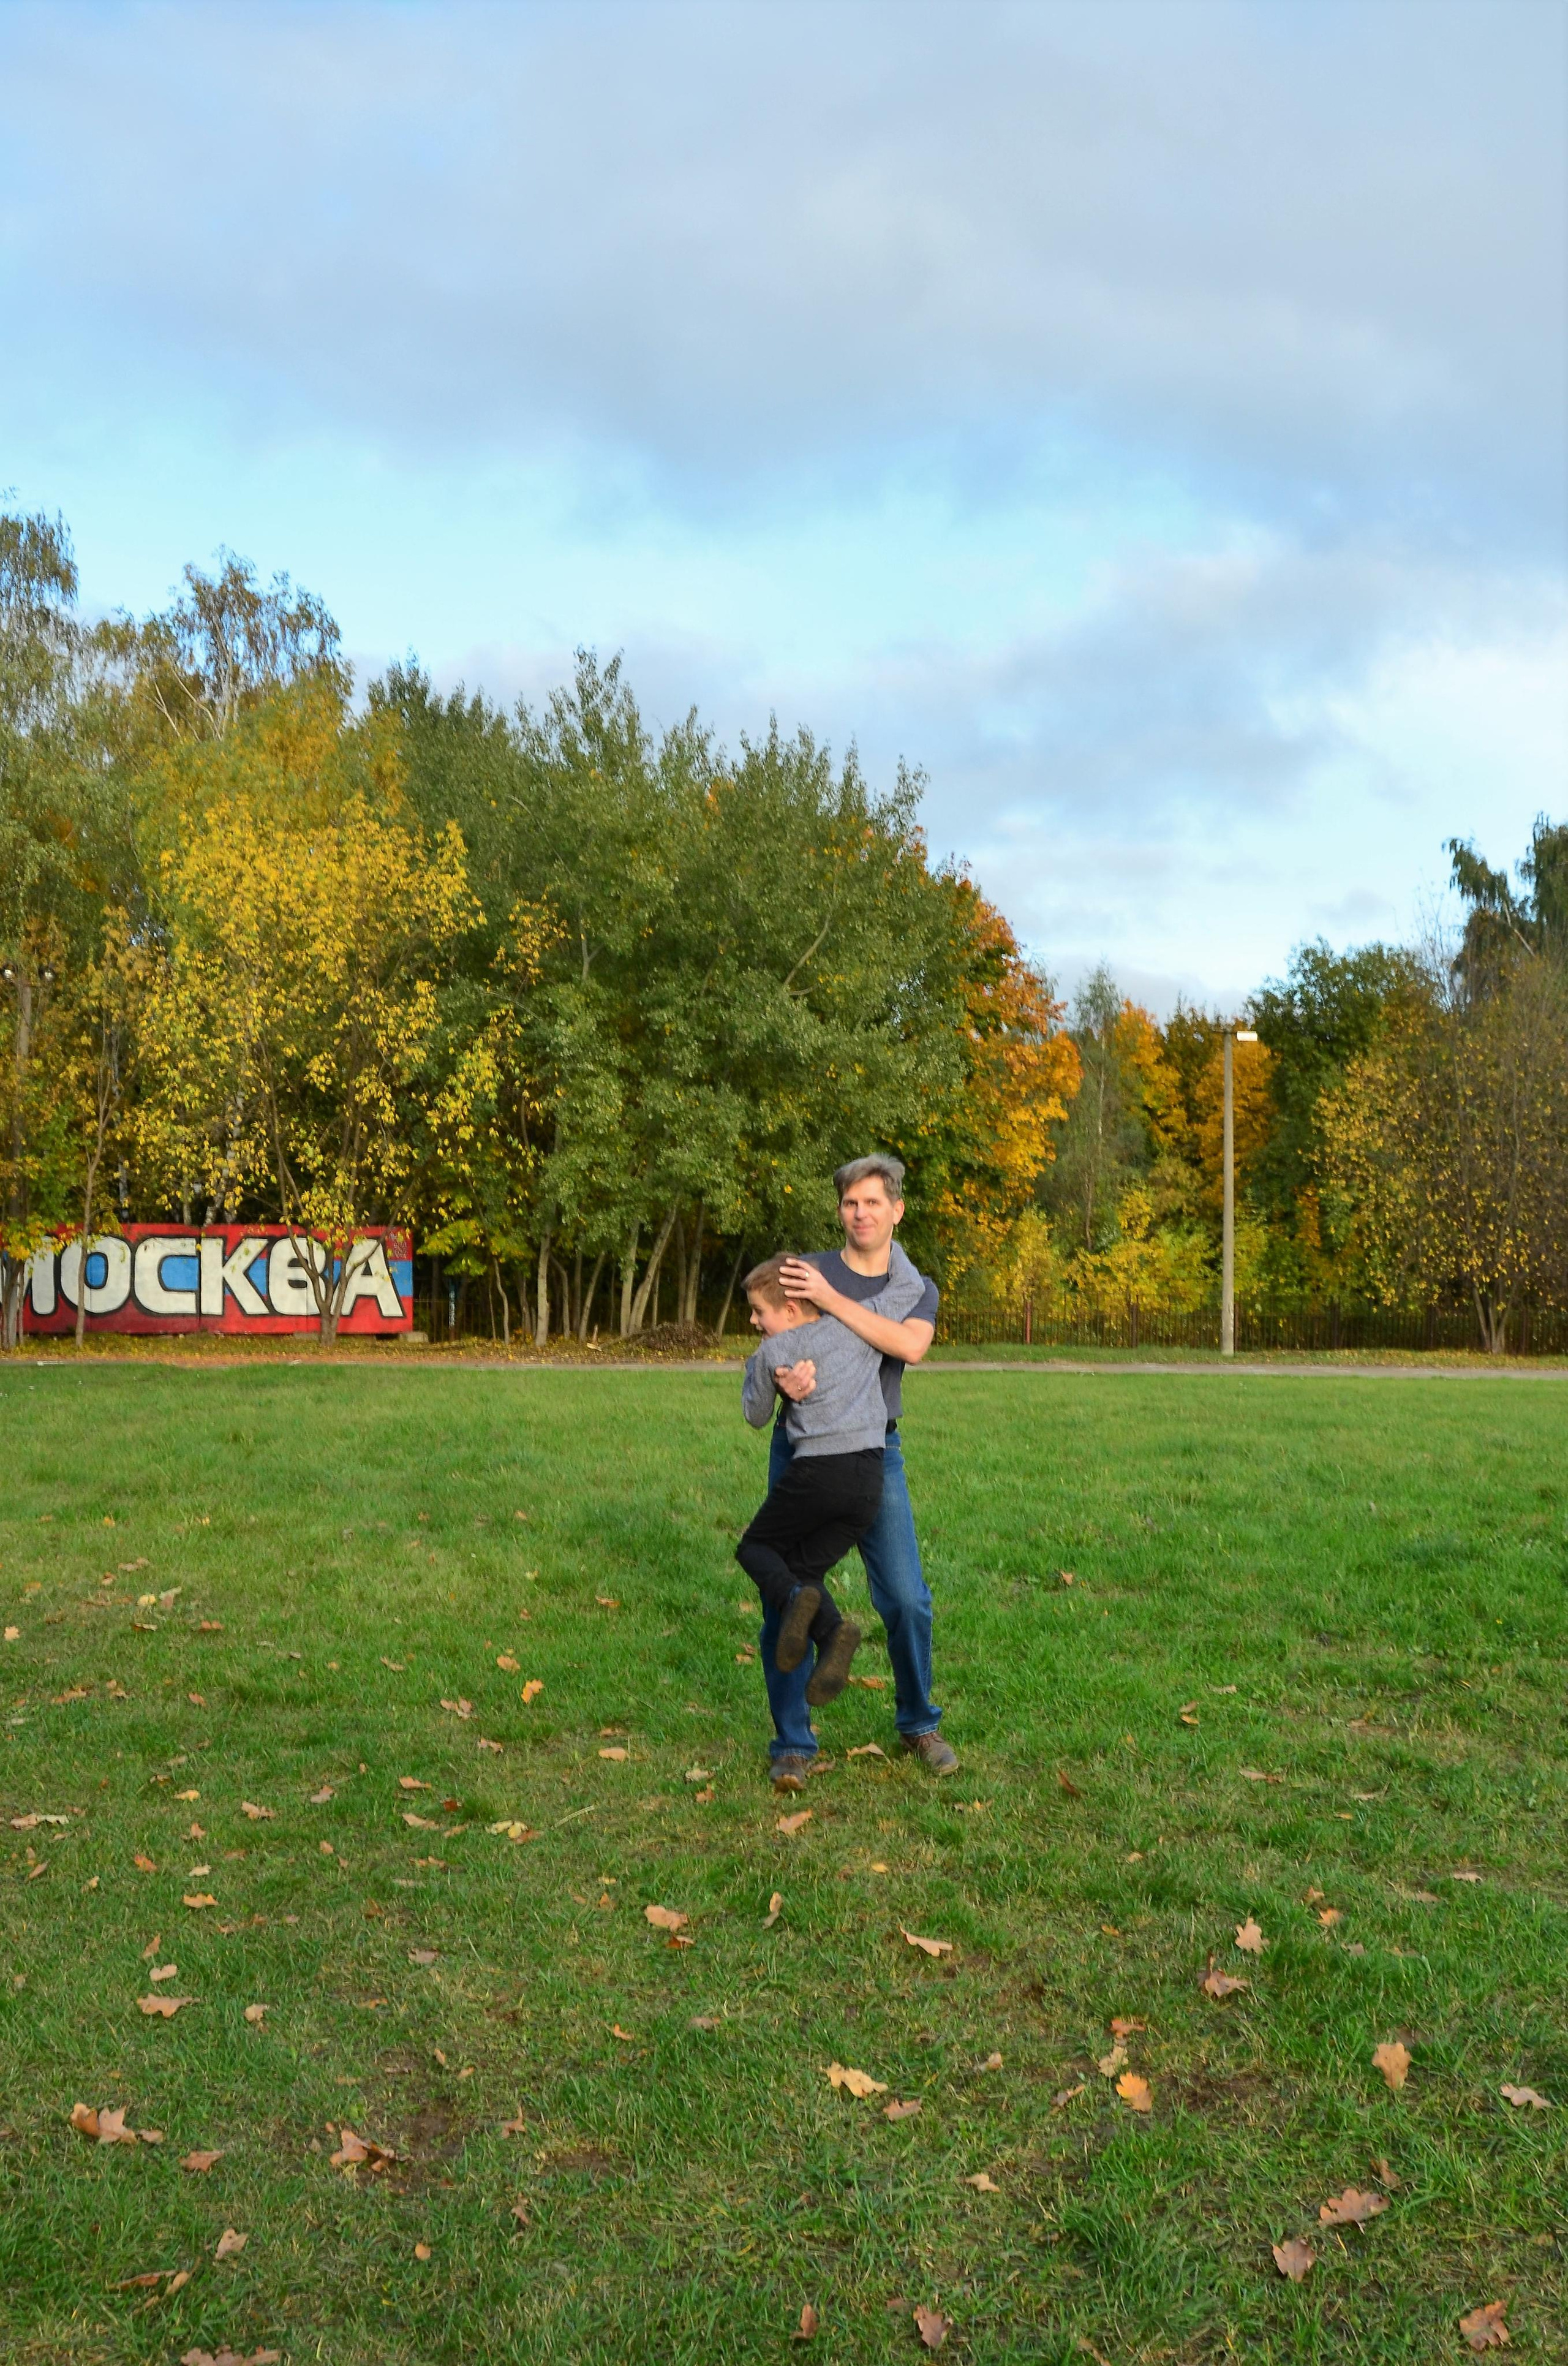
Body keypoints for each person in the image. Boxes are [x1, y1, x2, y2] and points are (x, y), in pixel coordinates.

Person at [761, 1153, 959, 1791]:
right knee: (786, 1593)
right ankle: (792, 1741)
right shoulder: (803, 1273)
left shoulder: (915, 1288)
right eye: (850, 1203)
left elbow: (909, 1346)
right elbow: (769, 1340)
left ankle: (918, 1722)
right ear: (839, 1211)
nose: (861, 1213)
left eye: (873, 1202)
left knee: (905, 1597)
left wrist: (831, 1302)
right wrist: (784, 1374)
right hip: (802, 1450)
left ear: (896, 1210)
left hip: (876, 1453)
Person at [734, 1247, 929, 1706]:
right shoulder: (855, 1325)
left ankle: (816, 1614)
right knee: (802, 1568)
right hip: (868, 1480)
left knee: (757, 1549)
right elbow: (911, 1287)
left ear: (790, 1309)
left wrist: (762, 1369)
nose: (754, 1323)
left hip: (817, 1472)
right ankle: (834, 1633)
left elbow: (756, 1415)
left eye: (759, 1312)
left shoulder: (773, 1351)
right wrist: (892, 1244)